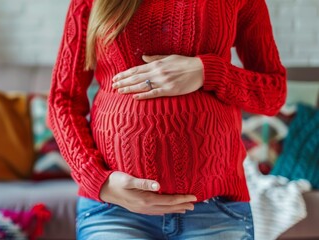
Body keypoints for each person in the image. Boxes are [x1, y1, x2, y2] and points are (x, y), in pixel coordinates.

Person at [47, 0, 286, 239]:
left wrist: (209, 72)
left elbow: (273, 95)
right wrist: (98, 181)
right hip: (114, 211)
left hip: (215, 210)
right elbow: (63, 100)